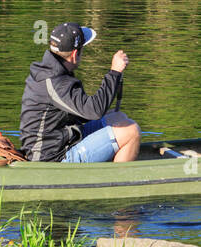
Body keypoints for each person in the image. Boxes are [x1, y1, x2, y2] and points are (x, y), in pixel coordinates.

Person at [19, 22, 141, 163]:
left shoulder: (50, 72)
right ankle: (118, 181)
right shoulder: (57, 82)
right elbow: (95, 111)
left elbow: (81, 112)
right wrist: (114, 72)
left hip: (63, 141)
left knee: (118, 117)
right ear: (75, 54)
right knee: (131, 131)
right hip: (52, 159)